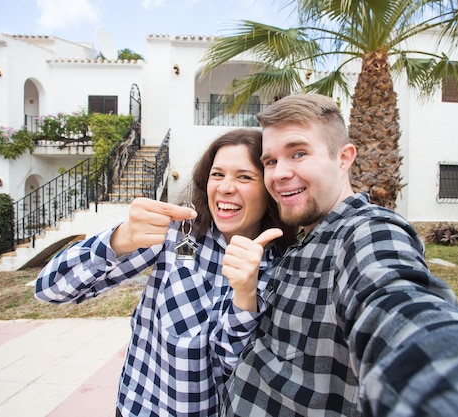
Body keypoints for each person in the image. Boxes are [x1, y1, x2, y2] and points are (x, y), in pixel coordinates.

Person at [221, 94, 458, 417]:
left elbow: (399, 309)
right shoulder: (301, 237)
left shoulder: (366, 232)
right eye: (271, 160)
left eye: (298, 153)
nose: (280, 173)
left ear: (344, 158)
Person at [35, 128, 298, 417]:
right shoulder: (176, 233)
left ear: (269, 189)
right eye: (217, 174)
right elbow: (51, 288)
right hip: (142, 408)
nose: (225, 187)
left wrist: (245, 294)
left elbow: (234, 365)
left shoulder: (280, 265)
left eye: (244, 177)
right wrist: (120, 238)